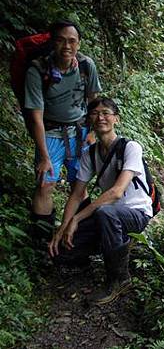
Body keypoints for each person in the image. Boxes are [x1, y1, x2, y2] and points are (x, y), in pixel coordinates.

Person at [49, 97, 152, 305]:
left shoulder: (131, 148)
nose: (100, 117)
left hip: (135, 213)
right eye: (95, 113)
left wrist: (77, 219)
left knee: (105, 212)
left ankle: (118, 278)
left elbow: (116, 192)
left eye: (106, 113)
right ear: (89, 121)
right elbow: (77, 194)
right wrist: (61, 230)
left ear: (116, 119)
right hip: (107, 216)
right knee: (60, 253)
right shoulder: (91, 154)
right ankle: (112, 245)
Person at [24, 20, 101, 240]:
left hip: (79, 133)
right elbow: (36, 117)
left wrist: (92, 133)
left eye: (72, 41)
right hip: (49, 133)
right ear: (52, 42)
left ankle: (77, 239)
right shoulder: (37, 70)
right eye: (60, 40)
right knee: (45, 185)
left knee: (80, 185)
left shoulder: (86, 66)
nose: (66, 46)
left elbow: (94, 102)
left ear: (78, 44)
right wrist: (44, 156)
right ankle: (41, 241)